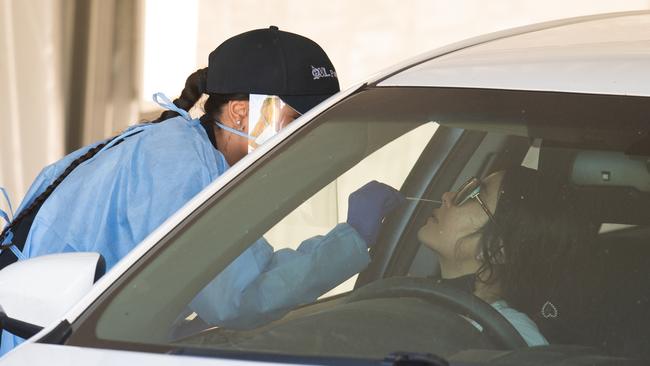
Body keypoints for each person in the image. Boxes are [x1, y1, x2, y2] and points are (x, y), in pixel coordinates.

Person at [0, 26, 359, 355]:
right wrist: (355, 237)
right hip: (34, 348)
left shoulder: (193, 156)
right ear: (239, 113)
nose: (306, 138)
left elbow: (241, 270)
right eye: (296, 121)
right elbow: (237, 297)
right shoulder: (178, 167)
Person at [416, 166, 595, 346]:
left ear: (499, 248)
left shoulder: (513, 337)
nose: (447, 196)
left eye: (474, 195)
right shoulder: (420, 298)